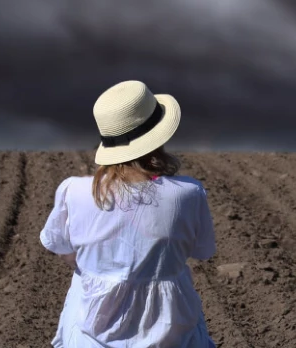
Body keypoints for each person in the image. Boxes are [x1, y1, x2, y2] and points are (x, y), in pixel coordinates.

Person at [40, 80, 217, 347]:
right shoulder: (188, 193)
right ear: (158, 136)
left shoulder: (73, 191)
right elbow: (203, 251)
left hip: (91, 331)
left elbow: (63, 250)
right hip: (171, 331)